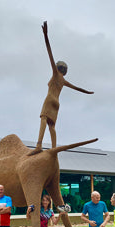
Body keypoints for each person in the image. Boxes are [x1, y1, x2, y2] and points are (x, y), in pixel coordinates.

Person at [29, 21, 94, 155]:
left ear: (58, 68)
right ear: (65, 71)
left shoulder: (55, 74)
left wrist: (46, 35)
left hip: (49, 100)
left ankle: (38, 145)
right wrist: (88, 92)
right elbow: (77, 88)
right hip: (57, 103)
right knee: (52, 126)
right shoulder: (63, 80)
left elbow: (50, 53)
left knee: (43, 119)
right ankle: (53, 148)